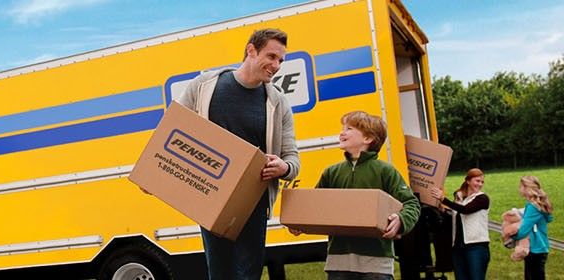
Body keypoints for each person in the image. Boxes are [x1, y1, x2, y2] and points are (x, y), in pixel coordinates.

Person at [160, 27, 301, 280]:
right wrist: (158, 173)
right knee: (220, 273)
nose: (276, 65)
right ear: (251, 50)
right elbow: (173, 129)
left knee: (248, 274)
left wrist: (284, 168)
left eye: (280, 60)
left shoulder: (278, 103)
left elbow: (292, 158)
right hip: (210, 195)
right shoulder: (204, 86)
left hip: (253, 202)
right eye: (271, 56)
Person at [289, 111, 420, 280]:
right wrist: (300, 222)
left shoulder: (385, 171)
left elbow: (411, 203)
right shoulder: (331, 172)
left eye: (349, 128)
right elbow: (315, 206)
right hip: (339, 262)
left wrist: (401, 220)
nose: (342, 132)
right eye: (342, 128)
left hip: (376, 263)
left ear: (368, 139)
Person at [435, 168, 489, 280]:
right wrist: (443, 211)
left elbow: (465, 210)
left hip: (476, 247)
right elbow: (456, 219)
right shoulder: (459, 199)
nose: (480, 184)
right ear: (468, 181)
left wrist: (444, 199)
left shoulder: (482, 198)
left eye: (482, 182)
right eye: (477, 181)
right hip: (458, 247)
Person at [510, 175, 553, 280]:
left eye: (520, 186)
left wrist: (512, 237)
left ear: (526, 187)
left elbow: (524, 230)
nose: (519, 189)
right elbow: (549, 218)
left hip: (534, 249)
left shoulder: (532, 207)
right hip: (541, 247)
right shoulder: (539, 205)